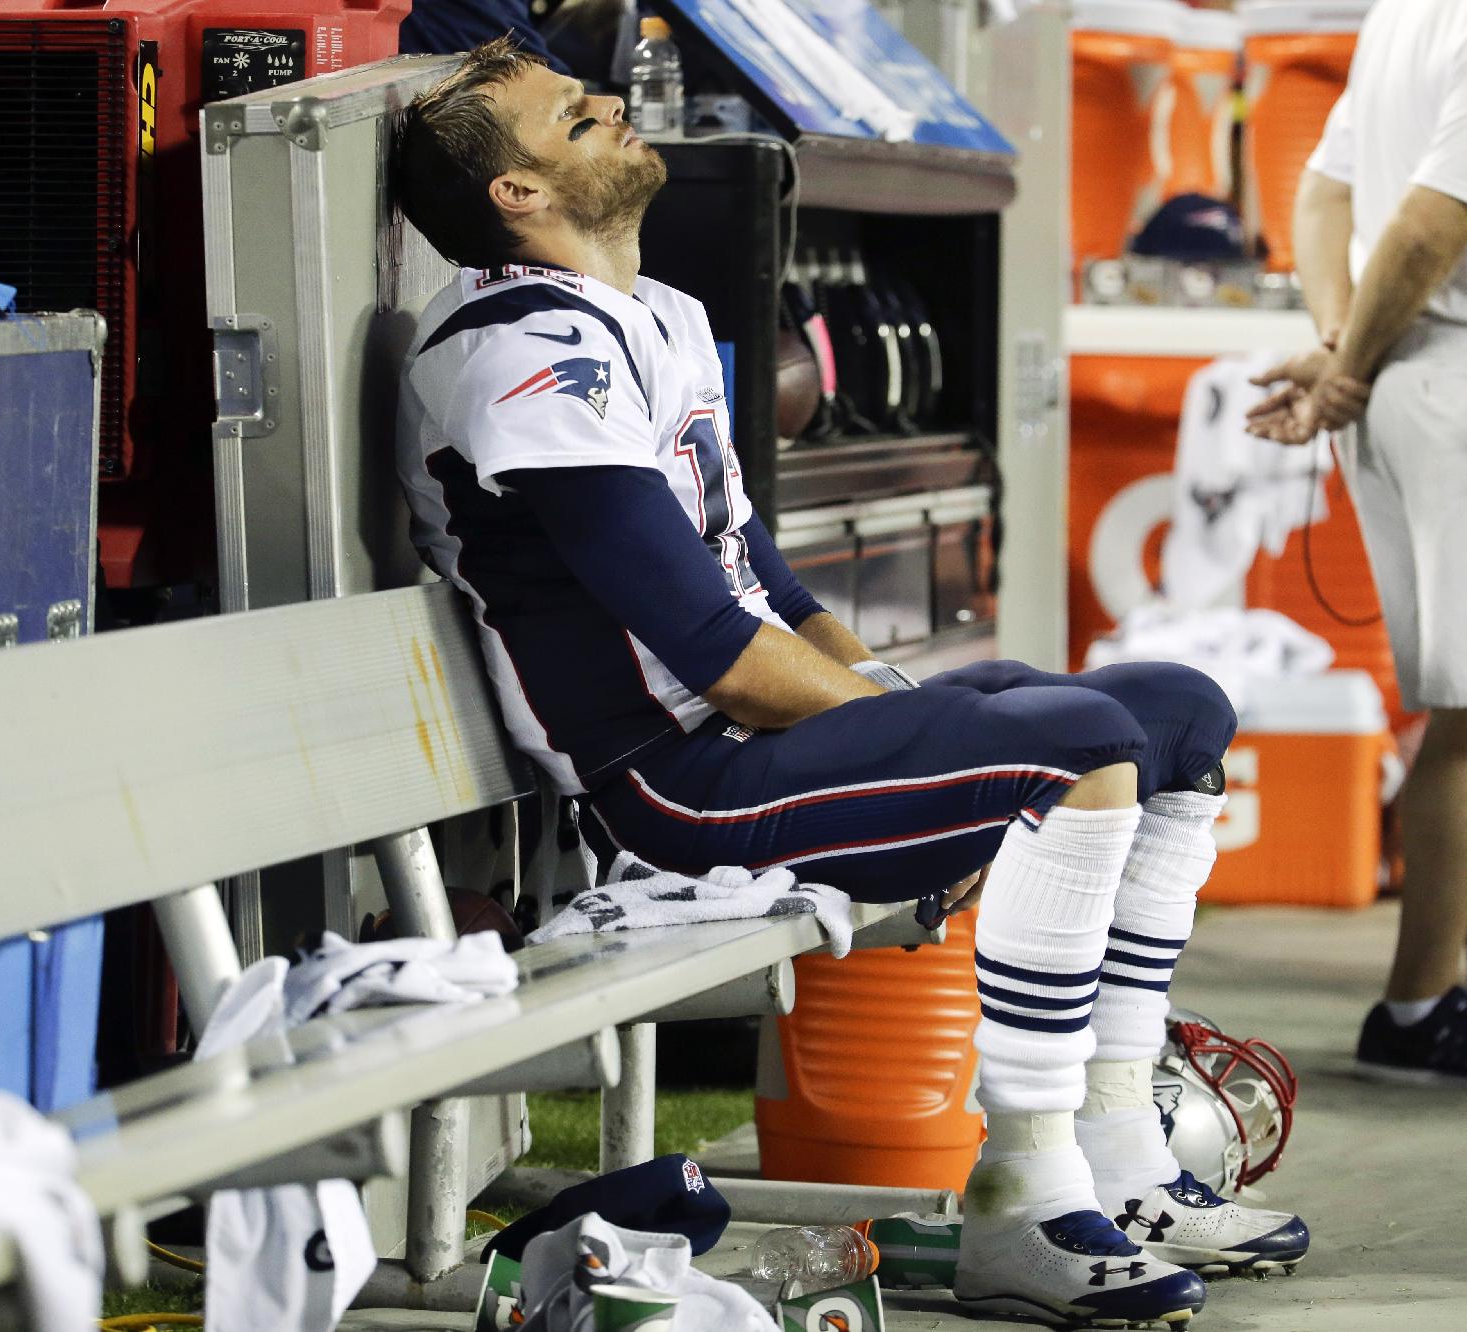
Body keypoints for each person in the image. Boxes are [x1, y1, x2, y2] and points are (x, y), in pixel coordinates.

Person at [395, 39, 1305, 1325]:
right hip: (675, 788)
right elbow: (716, 652)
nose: (608, 104)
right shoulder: (518, 351)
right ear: (517, 196)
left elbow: (763, 576)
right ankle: (1025, 1200)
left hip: (750, 736)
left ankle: (1120, 1149)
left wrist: (905, 708)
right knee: (1072, 747)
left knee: (1175, 712)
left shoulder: (654, 313)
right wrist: (929, 732)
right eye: (571, 117)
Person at [1247, 0, 1467, 1083]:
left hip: (1409, 375)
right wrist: (1348, 366)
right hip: (1446, 372)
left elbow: (1324, 192)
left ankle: (1429, 997)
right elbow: (1430, 222)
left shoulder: (1407, 14)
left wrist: (1342, 343)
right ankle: (1421, 1007)